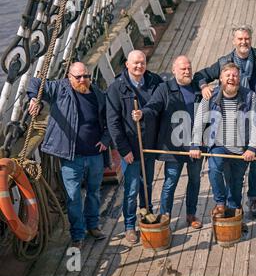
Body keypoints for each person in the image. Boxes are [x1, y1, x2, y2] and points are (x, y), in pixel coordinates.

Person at [193, 24, 256, 217]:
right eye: (240, 39)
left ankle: (254, 198)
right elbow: (200, 75)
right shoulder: (224, 62)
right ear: (234, 41)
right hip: (234, 118)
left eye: (246, 38)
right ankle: (230, 202)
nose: (243, 42)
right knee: (227, 166)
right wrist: (204, 85)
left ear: (251, 39)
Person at [27, 62, 110, 249]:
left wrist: (106, 139)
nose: (82, 80)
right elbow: (34, 82)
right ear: (69, 77)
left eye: (86, 76)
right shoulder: (60, 89)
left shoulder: (97, 94)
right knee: (73, 197)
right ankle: (78, 234)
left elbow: (109, 120)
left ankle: (93, 226)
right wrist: (34, 99)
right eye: (78, 77)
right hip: (72, 157)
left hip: (95, 155)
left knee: (94, 193)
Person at [132, 56, 204, 229]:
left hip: (196, 144)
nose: (187, 72)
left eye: (189, 68)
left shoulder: (199, 88)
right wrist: (142, 113)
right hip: (174, 146)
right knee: (170, 182)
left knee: (194, 180)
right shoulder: (164, 89)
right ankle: (165, 215)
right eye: (183, 69)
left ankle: (191, 214)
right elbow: (153, 106)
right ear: (174, 70)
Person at [106, 50, 163, 244]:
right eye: (135, 63)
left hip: (148, 146)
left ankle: (146, 214)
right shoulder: (116, 89)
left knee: (146, 185)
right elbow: (113, 123)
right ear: (127, 65)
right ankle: (130, 226)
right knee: (131, 190)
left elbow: (161, 106)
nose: (139, 66)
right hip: (130, 149)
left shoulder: (155, 82)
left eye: (142, 62)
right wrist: (124, 151)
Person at [190, 63, 256, 217]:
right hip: (218, 143)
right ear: (220, 78)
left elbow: (255, 123)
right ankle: (220, 203)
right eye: (228, 75)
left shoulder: (249, 96)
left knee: (237, 180)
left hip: (241, 146)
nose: (231, 79)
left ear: (239, 79)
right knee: (214, 170)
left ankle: (234, 207)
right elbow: (199, 120)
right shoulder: (210, 96)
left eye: (234, 76)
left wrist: (252, 147)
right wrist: (195, 143)